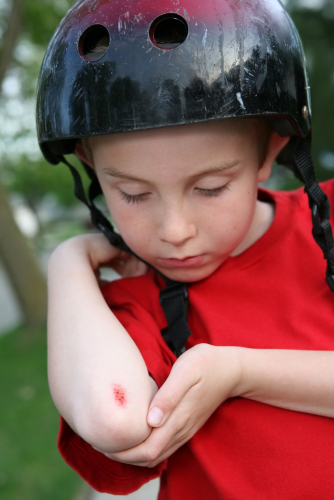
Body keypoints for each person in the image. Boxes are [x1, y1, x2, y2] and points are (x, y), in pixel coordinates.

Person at [37, 0, 334, 498]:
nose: (175, 231)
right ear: (90, 169)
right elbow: (114, 421)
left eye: (212, 187)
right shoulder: (133, 306)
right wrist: (68, 262)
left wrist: (237, 371)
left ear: (269, 153)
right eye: (132, 194)